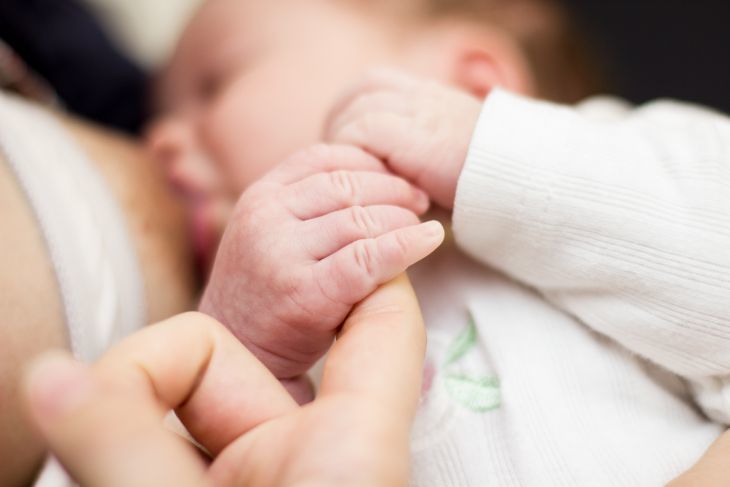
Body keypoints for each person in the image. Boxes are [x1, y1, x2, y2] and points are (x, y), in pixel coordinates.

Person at [148, 0, 730, 485]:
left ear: (474, 81)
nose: (158, 141)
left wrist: (494, 153)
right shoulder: (275, 323)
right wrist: (245, 343)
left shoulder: (625, 161)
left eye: (214, 83)